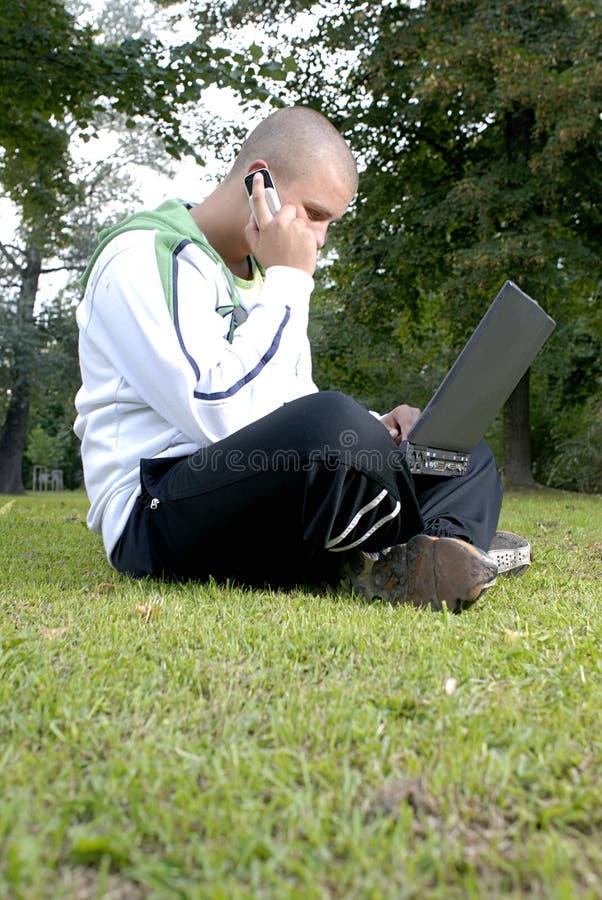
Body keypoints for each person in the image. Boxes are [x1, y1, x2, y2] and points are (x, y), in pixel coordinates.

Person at [74, 106, 529, 612]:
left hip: (258, 481)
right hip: (156, 509)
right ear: (258, 182)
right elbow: (219, 414)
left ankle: (432, 555)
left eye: (328, 222)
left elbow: (289, 402)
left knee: (457, 454)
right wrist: (291, 282)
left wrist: (380, 427)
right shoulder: (142, 256)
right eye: (313, 215)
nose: (318, 239)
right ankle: (388, 547)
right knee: (333, 425)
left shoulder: (268, 277)